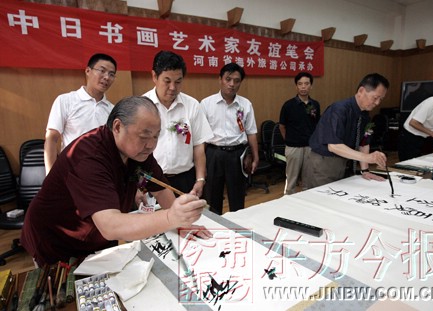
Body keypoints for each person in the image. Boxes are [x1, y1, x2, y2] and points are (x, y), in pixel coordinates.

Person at [21, 96, 209, 266]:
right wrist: (171, 217)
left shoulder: (138, 152)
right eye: (144, 136)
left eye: (156, 136)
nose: (151, 145)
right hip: (58, 239)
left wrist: (182, 224)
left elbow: (160, 189)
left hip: (97, 237)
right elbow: (110, 226)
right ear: (117, 127)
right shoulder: (88, 157)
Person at [143, 51, 213, 198]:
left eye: (178, 81)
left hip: (185, 179)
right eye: (167, 81)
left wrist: (200, 179)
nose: (173, 87)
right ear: (154, 76)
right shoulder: (141, 106)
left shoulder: (192, 105)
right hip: (153, 179)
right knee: (157, 221)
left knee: (189, 220)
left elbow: (199, 145)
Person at [303, 73, 389, 189]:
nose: (377, 103)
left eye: (381, 99)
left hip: (344, 162)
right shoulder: (339, 109)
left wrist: (365, 170)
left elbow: (364, 143)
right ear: (361, 91)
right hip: (323, 163)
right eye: (375, 97)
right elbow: (334, 146)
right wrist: (368, 158)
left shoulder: (365, 116)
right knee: (320, 201)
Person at [201, 63, 259, 215]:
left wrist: (256, 157)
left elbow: (251, 132)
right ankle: (215, 228)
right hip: (213, 154)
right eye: (228, 79)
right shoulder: (206, 104)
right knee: (212, 196)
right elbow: (202, 138)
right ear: (220, 79)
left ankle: (238, 228)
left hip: (237, 155)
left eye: (236, 80)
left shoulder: (245, 104)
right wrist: (200, 164)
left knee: (237, 196)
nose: (232, 84)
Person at [44, 53, 117, 175]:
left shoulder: (113, 110)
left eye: (111, 74)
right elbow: (51, 138)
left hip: (101, 175)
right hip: (72, 173)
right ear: (88, 71)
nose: (106, 77)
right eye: (102, 71)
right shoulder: (66, 100)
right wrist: (50, 176)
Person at [279, 72, 321, 194]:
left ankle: (306, 203)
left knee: (308, 180)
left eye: (306, 84)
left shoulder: (315, 105)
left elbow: (317, 125)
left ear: (311, 86)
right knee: (291, 181)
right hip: (293, 148)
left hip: (310, 147)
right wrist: (288, 141)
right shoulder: (288, 105)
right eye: (300, 84)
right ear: (296, 86)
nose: (303, 87)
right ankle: (288, 202)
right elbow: (282, 126)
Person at [398, 94, 433, 161]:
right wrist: (432, 133)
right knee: (408, 166)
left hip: (422, 138)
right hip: (409, 137)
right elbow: (413, 122)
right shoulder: (432, 102)